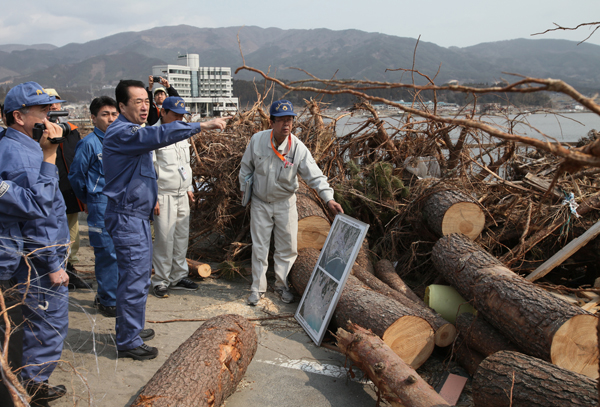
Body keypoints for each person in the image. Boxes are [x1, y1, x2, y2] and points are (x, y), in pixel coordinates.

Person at [102, 79, 229, 360]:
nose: (145, 106)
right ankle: (127, 341)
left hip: (136, 214)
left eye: (147, 101)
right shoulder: (123, 133)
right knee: (134, 279)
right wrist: (202, 125)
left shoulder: (134, 130)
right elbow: (155, 137)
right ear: (121, 106)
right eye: (138, 102)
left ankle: (131, 328)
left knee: (136, 276)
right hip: (126, 215)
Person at [0, 82, 70, 407]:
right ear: (18, 116)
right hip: (39, 260)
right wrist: (54, 265)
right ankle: (32, 386)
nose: (50, 117)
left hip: (24, 257)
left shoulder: (15, 146)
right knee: (47, 323)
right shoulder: (26, 155)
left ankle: (22, 383)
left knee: (21, 325)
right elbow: (38, 213)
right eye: (43, 111)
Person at [239, 100, 343, 306]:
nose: (286, 125)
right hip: (260, 202)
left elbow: (315, 175)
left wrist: (328, 198)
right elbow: (246, 168)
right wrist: (245, 190)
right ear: (271, 122)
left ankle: (281, 285)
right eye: (281, 120)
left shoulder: (297, 147)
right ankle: (257, 289)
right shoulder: (257, 140)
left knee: (287, 247)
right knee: (260, 247)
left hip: (285, 203)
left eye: (290, 120)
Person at [69, 97, 120, 317]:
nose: (110, 118)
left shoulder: (122, 140)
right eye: (105, 114)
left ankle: (116, 295)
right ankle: (108, 300)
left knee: (122, 252)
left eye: (114, 114)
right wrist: (90, 199)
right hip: (100, 203)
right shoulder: (89, 143)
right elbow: (76, 176)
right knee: (106, 252)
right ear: (93, 118)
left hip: (121, 204)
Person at [151, 97, 198, 298]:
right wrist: (152, 197)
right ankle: (160, 280)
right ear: (163, 112)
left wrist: (188, 186)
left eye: (182, 116)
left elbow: (184, 164)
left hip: (181, 193)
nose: (180, 119)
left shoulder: (182, 134)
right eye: (175, 115)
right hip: (163, 194)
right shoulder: (154, 134)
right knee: (164, 238)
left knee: (181, 236)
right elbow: (150, 169)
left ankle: (178, 276)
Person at [44, 88, 90, 290]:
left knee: (72, 233)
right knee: (50, 232)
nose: (55, 107)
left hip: (70, 190)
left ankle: (70, 268)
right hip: (48, 191)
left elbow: (80, 159)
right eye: (49, 104)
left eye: (57, 103)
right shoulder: (38, 132)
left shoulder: (71, 130)